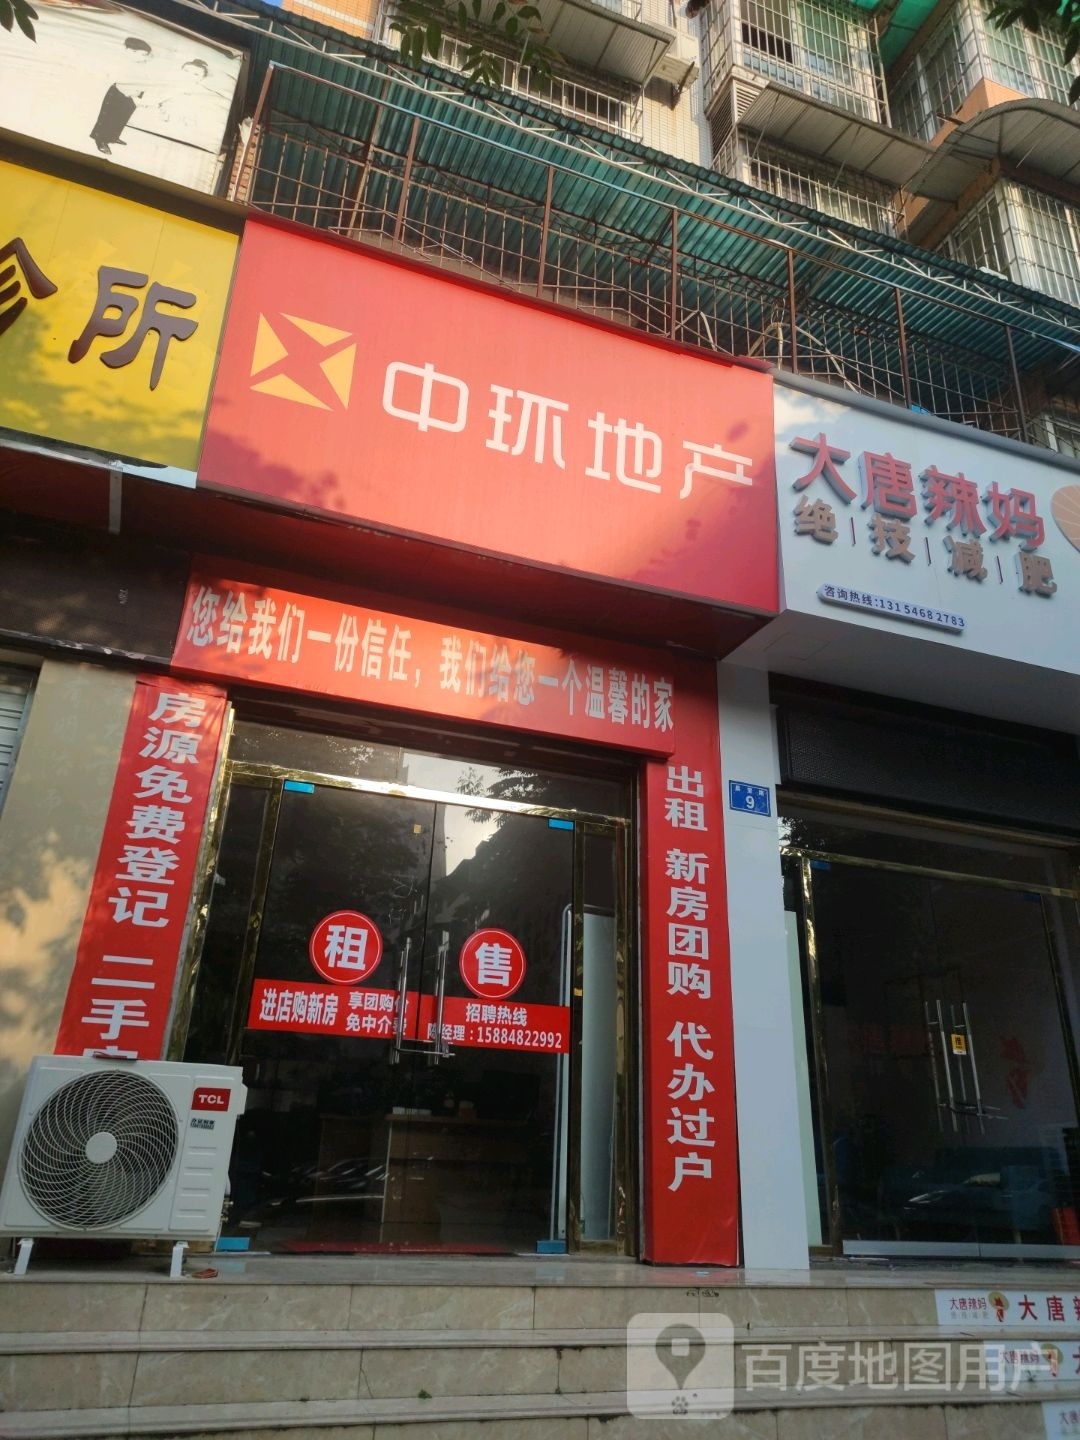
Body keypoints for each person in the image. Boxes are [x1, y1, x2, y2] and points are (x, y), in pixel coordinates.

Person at [90, 36, 152, 156]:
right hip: (118, 94)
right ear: (131, 51)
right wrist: (131, 92)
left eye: (146, 55)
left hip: (132, 96)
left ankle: (113, 136)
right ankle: (100, 140)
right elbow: (119, 80)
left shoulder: (141, 66)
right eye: (143, 54)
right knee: (109, 118)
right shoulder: (124, 64)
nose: (145, 58)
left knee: (122, 118)